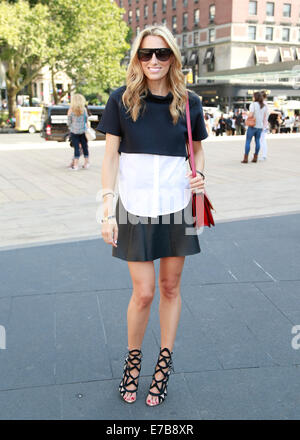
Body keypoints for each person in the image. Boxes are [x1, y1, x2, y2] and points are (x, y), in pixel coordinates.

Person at [97, 25, 208, 407]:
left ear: (173, 56)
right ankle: (133, 361)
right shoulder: (121, 100)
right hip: (134, 206)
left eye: (162, 53)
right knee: (143, 293)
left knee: (170, 289)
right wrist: (105, 209)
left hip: (178, 205)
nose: (154, 61)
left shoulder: (189, 101)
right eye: (146, 54)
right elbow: (110, 157)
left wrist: (201, 176)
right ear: (137, 58)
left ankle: (164, 363)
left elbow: (196, 150)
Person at [241, 91, 268, 163]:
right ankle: (255, 157)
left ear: (255, 97)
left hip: (252, 125)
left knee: (248, 141)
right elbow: (264, 117)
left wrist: (246, 113)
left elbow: (250, 115)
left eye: (253, 96)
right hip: (260, 126)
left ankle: (246, 158)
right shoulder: (264, 106)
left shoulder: (253, 104)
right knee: (257, 141)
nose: (252, 98)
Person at [67, 94, 90, 170]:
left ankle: (75, 165)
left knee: (76, 148)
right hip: (83, 132)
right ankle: (86, 163)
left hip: (74, 132)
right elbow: (86, 120)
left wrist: (72, 127)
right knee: (85, 148)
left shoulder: (71, 110)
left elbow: (68, 122)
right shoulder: (84, 110)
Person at [258, 91, 269, 161]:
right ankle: (263, 155)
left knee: (262, 140)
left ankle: (264, 155)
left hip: (262, 125)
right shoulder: (264, 104)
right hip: (263, 125)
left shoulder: (263, 104)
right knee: (262, 140)